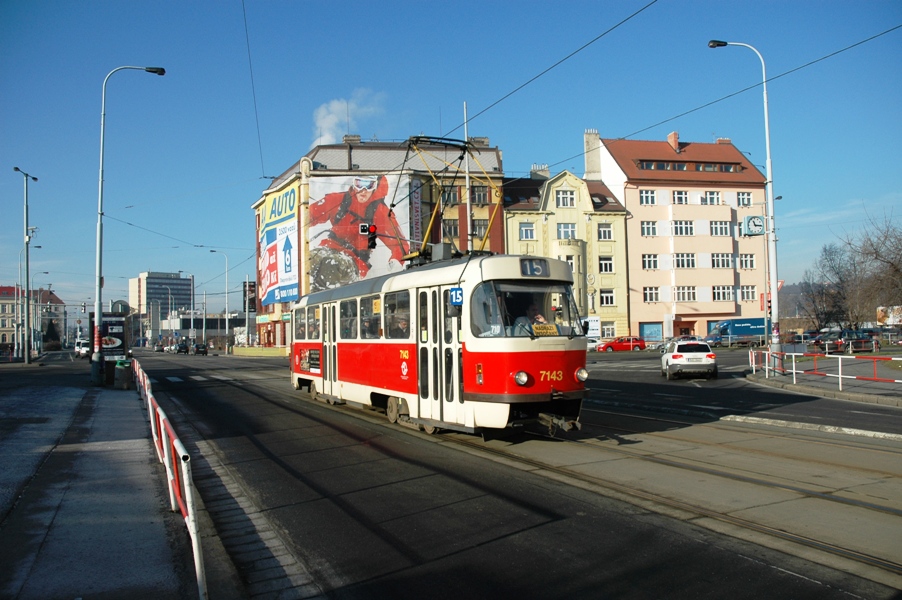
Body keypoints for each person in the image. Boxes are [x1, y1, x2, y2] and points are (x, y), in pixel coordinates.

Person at [309, 175, 410, 281]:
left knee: (331, 265)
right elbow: (308, 215)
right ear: (354, 184)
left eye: (369, 185)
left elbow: (401, 245)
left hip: (355, 261)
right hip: (328, 248)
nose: (363, 190)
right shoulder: (339, 200)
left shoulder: (380, 212)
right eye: (359, 184)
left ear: (375, 187)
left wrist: (396, 261)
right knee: (311, 261)